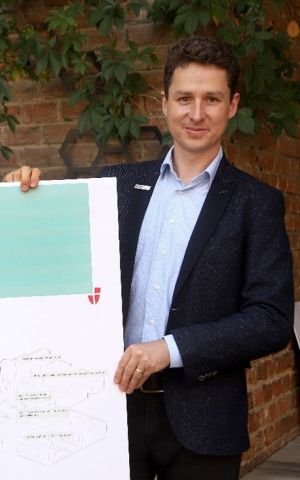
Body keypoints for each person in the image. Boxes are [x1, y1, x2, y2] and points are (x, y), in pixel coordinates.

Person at [5, 36, 294, 480]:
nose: (196, 114)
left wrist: (170, 350)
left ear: (232, 104)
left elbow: (270, 319)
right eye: (184, 98)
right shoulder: (115, 185)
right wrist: (26, 201)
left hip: (205, 419)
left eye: (211, 99)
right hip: (108, 409)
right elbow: (61, 262)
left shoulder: (257, 202)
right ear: (163, 103)